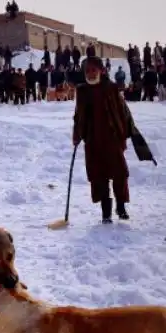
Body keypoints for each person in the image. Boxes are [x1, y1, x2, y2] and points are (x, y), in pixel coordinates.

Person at [72, 56, 133, 223]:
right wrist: (77, 134)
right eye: (88, 71)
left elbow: (121, 112)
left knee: (119, 174)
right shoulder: (82, 90)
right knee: (99, 176)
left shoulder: (111, 88)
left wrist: (123, 134)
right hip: (93, 140)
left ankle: (121, 207)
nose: (91, 74)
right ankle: (106, 212)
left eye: (94, 70)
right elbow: (78, 116)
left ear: (101, 71)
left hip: (112, 138)